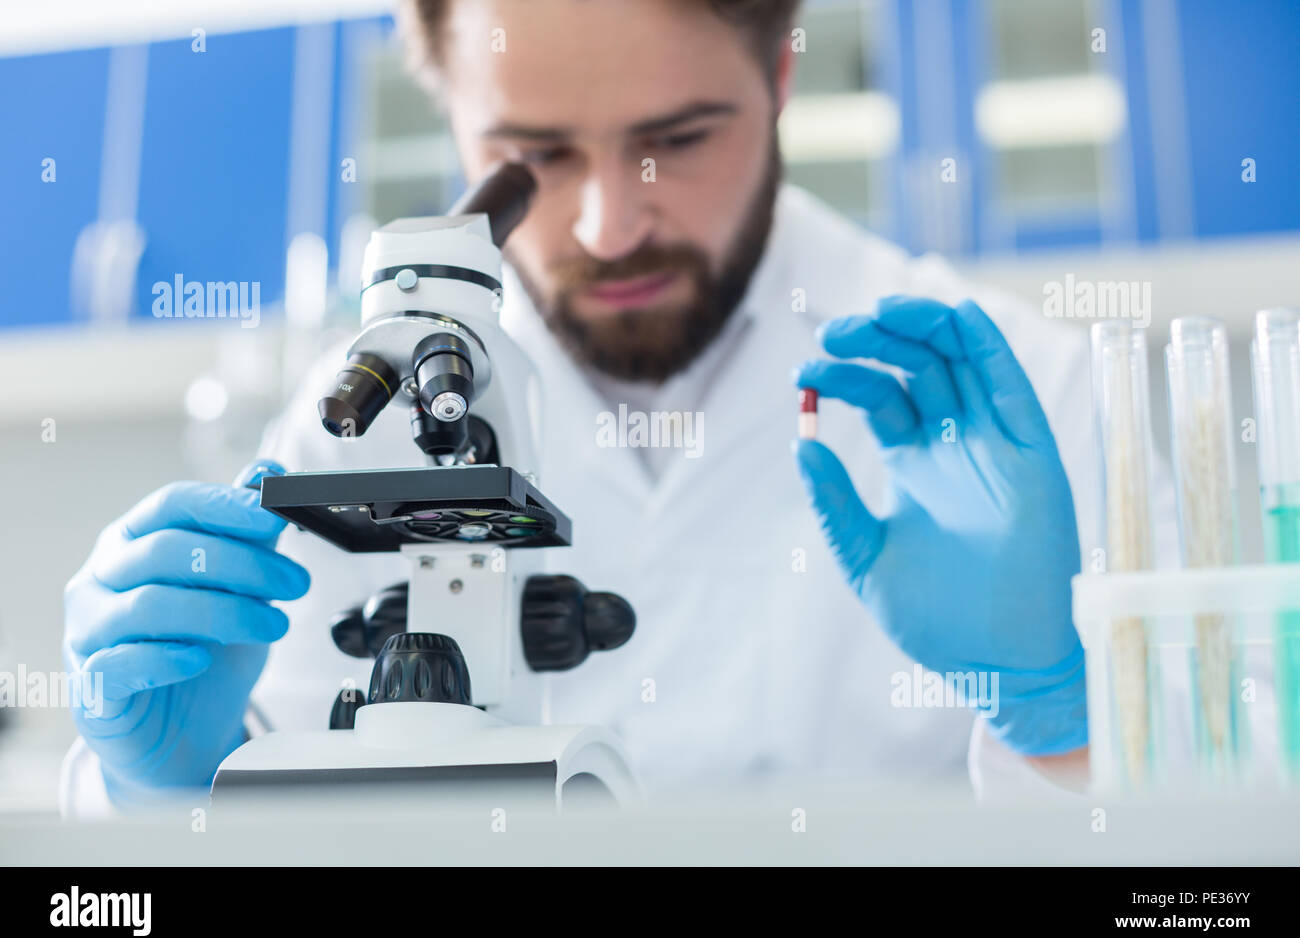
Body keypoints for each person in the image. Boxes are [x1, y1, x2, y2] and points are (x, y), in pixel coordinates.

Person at [61, 0, 1119, 813]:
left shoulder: (1024, 399)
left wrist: (1058, 730)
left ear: (780, 76)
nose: (610, 227)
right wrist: (164, 793)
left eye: (681, 138)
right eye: (533, 158)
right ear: (452, 116)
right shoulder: (379, 396)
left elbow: (1180, 892)